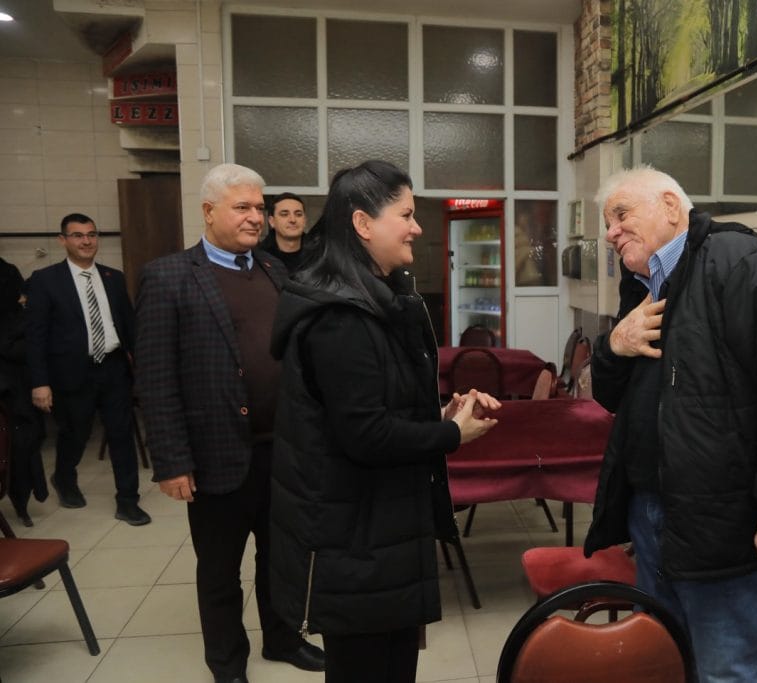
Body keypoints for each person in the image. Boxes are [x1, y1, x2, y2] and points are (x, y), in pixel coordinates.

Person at [583, 166, 757, 683]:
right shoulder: (642, 286)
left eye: (621, 215)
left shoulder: (747, 265)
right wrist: (614, 346)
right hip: (654, 514)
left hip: (726, 522)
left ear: (671, 206)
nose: (610, 232)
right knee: (664, 657)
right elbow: (614, 397)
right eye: (607, 222)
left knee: (728, 669)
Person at [268, 160, 500, 683]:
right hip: (354, 541)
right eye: (407, 214)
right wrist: (451, 434)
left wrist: (440, 413)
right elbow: (365, 435)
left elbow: (378, 408)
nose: (418, 227)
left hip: (382, 530)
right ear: (362, 224)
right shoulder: (340, 317)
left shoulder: (380, 298)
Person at [134, 163, 325, 683]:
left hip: (280, 451)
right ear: (208, 211)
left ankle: (284, 639)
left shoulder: (273, 271)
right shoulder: (169, 275)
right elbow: (154, 379)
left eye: (259, 208)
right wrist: (172, 462)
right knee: (219, 571)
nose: (256, 217)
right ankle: (227, 664)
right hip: (216, 453)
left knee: (280, 559)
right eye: (243, 207)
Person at [24, 214, 150, 526]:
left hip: (113, 368)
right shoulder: (45, 280)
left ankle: (128, 500)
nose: (86, 241)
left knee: (122, 435)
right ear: (62, 240)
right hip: (71, 373)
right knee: (75, 434)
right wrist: (40, 383)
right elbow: (35, 336)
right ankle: (64, 479)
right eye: (78, 235)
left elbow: (130, 327)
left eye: (91, 235)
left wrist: (145, 369)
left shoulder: (113, 277)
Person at [0, 258, 47, 527]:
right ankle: (22, 503)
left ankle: (22, 502)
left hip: (15, 389)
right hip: (14, 388)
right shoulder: (17, 321)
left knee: (20, 445)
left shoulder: (7, 271)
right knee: (20, 445)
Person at [259, 192, 307, 273]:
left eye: (298, 214)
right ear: (272, 221)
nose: (292, 220)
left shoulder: (320, 255)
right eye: (284, 214)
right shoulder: (259, 257)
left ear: (305, 220)